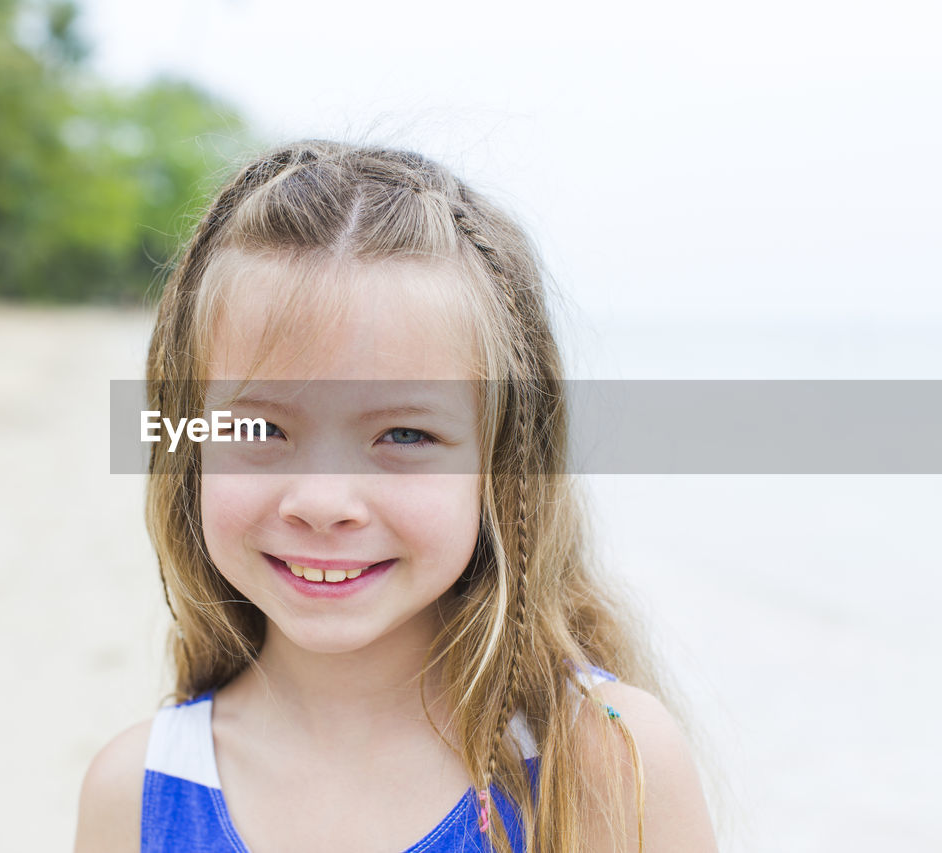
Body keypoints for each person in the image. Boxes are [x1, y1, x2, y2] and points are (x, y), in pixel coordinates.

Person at [75, 140, 717, 852]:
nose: (322, 501)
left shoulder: (600, 762)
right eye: (260, 426)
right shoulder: (134, 795)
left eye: (404, 434)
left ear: (503, 464)